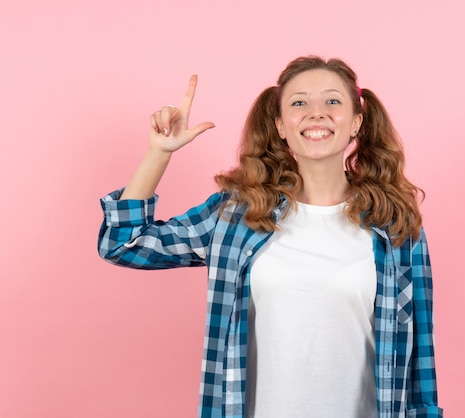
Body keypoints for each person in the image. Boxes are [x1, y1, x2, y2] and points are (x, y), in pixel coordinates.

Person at [98, 56, 443, 418]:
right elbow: (123, 243)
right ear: (280, 125)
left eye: (332, 101)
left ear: (357, 121)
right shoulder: (237, 215)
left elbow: (420, 353)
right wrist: (158, 154)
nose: (316, 113)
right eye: (298, 103)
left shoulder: (394, 226)